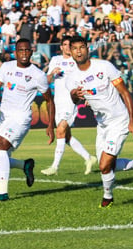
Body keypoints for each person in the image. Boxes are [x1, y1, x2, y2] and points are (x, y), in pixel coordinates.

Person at [64, 35, 133, 208]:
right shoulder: (71, 77)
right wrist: (74, 95)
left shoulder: (104, 66)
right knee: (107, 166)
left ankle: (107, 197)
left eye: (82, 47)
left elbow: (124, 92)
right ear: (70, 52)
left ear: (87, 48)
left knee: (104, 164)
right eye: (75, 48)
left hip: (119, 120)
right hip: (102, 124)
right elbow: (74, 99)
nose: (79, 51)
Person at [0, 39, 55, 202]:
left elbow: (49, 100)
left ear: (31, 52)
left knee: (0, 146)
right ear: (15, 53)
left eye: (27, 50)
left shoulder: (38, 75)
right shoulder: (7, 67)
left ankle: (3, 193)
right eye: (20, 50)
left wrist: (51, 125)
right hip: (3, 118)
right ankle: (25, 165)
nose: (24, 53)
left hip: (21, 119)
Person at [41, 35, 97, 176]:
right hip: (57, 102)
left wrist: (88, 95)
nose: (67, 47)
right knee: (66, 137)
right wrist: (52, 73)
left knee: (60, 130)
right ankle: (89, 158)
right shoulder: (55, 60)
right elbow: (46, 81)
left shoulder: (77, 61)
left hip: (71, 102)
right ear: (61, 47)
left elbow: (86, 78)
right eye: (65, 44)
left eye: (69, 45)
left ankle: (55, 167)